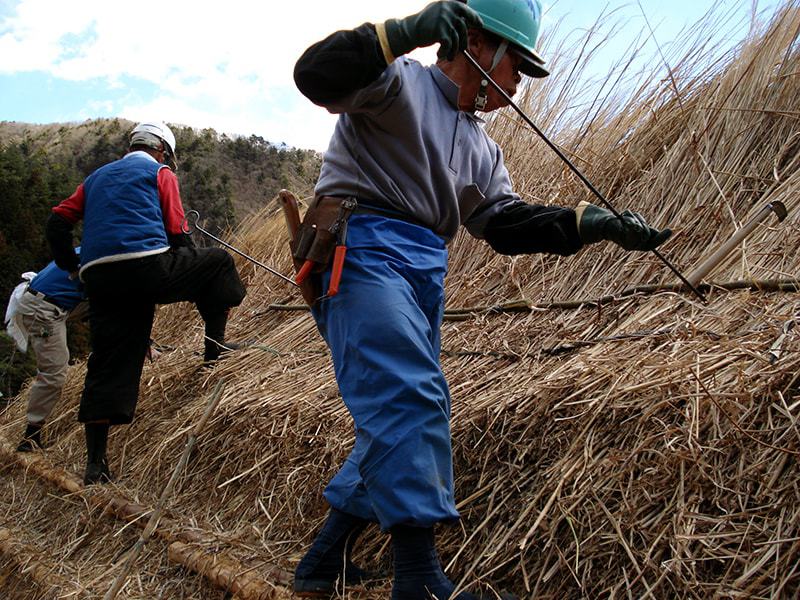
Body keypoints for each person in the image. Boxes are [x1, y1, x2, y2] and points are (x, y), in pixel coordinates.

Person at [291, 1, 672, 598]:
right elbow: (316, 75)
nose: (518, 82)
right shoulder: (395, 84)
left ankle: (321, 562)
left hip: (422, 270)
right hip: (359, 249)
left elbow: (503, 223)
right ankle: (417, 580)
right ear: (475, 43)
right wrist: (402, 34)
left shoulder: (480, 146)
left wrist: (588, 222)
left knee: (406, 406)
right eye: (516, 63)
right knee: (408, 395)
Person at [46, 121, 246, 485]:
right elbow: (176, 229)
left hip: (101, 280)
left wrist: (72, 269)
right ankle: (214, 349)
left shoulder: (94, 179)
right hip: (147, 268)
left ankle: (95, 464)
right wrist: (193, 271)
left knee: (108, 362)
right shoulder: (160, 172)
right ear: (163, 150)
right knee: (217, 263)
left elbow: (57, 222)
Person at [4, 254, 86, 452]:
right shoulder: (106, 254)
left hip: (46, 300)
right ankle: (30, 436)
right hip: (43, 309)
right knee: (55, 372)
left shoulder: (95, 244)